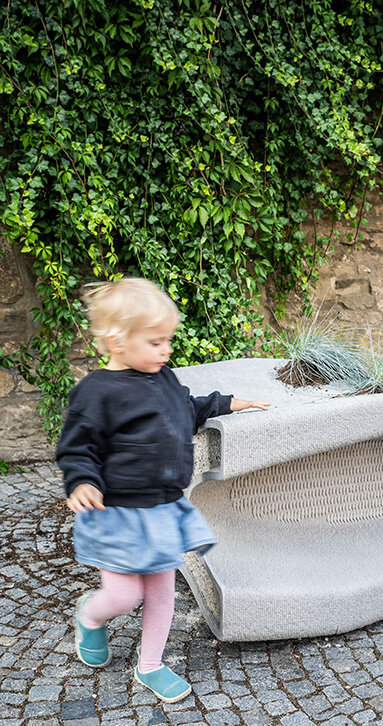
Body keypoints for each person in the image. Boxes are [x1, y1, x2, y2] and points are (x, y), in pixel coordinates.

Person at [56, 278, 270, 702]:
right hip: (117, 514)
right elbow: (76, 446)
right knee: (123, 594)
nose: (166, 350)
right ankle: (90, 615)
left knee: (161, 591)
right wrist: (81, 480)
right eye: (155, 342)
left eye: (167, 340)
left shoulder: (165, 378)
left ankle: (150, 665)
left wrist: (229, 403)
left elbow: (188, 408)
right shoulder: (96, 392)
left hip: (163, 510)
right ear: (116, 341)